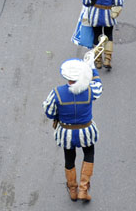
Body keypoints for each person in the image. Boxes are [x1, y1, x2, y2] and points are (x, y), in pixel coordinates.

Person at [43, 53, 102, 201]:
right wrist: (92, 69)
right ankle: (83, 188)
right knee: (89, 154)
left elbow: (49, 112)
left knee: (69, 158)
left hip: (66, 132)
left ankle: (73, 189)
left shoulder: (57, 92)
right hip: (86, 130)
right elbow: (98, 86)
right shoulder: (89, 90)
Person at [81, 0, 124, 71]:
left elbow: (85, 2)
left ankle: (98, 60)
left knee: (96, 36)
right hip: (109, 15)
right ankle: (108, 59)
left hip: (94, 15)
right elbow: (119, 2)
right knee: (109, 36)